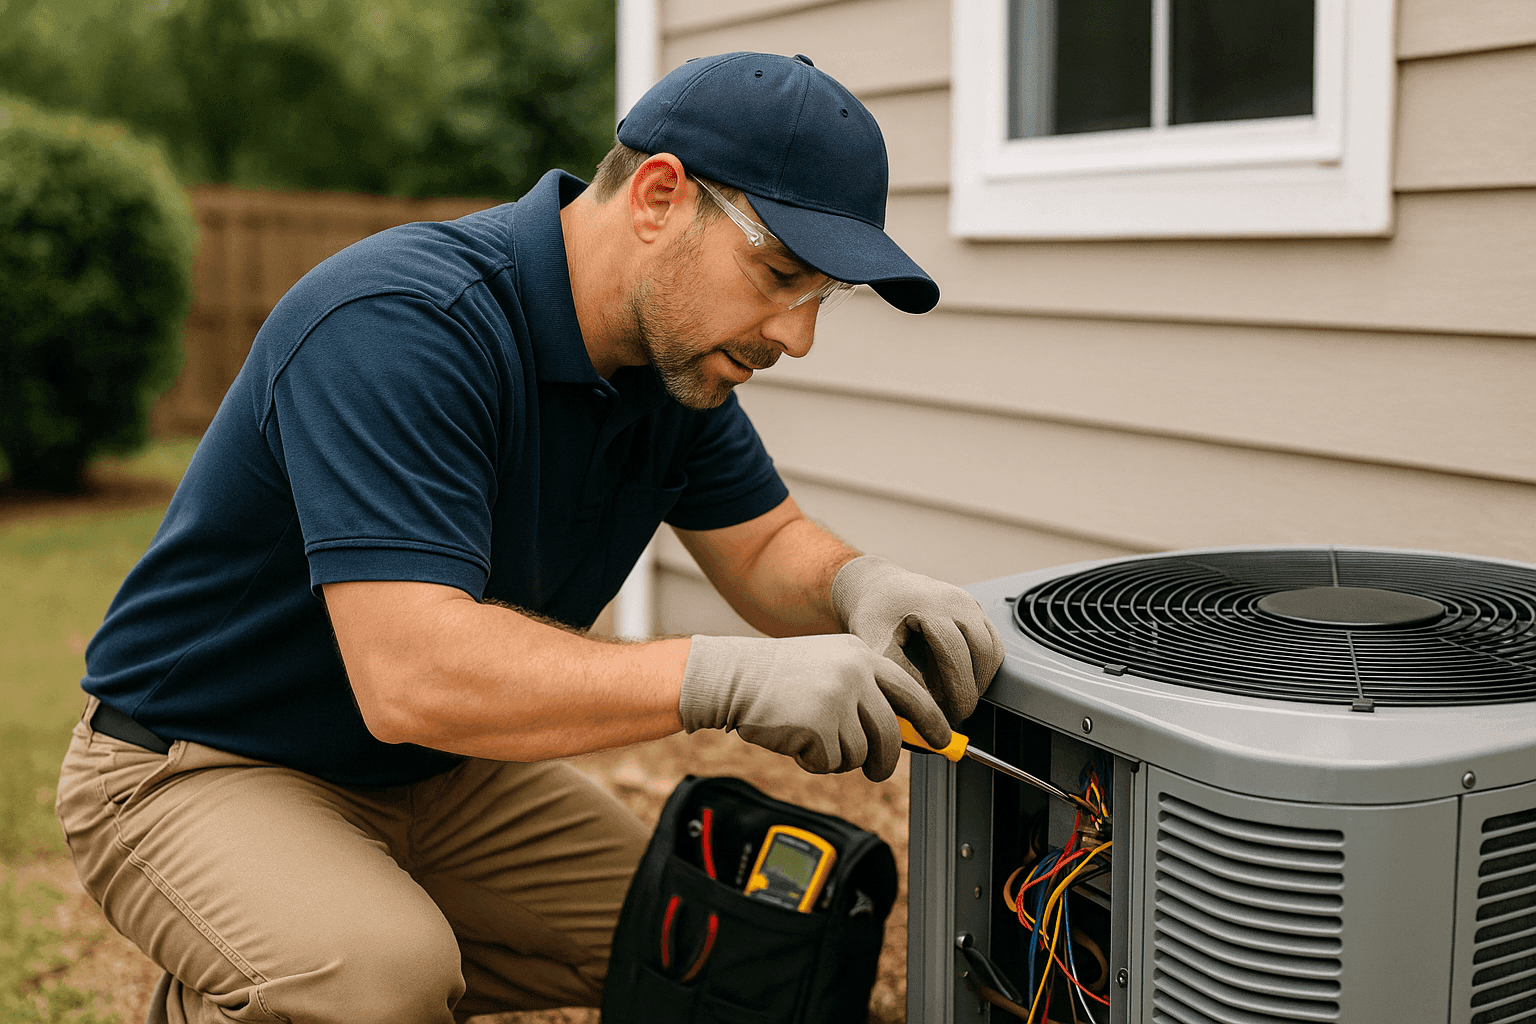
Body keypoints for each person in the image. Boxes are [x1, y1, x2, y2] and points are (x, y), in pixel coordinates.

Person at [55, 51, 1004, 1024]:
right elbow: (411, 674)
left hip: (435, 776)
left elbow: (764, 548)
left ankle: (309, 940)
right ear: (659, 197)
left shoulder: (672, 365)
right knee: (382, 977)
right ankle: (279, 972)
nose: (796, 337)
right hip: (199, 760)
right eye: (780, 274)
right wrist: (727, 678)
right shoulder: (401, 325)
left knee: (711, 947)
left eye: (822, 298)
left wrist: (860, 585)